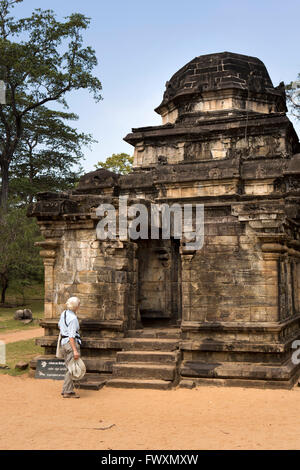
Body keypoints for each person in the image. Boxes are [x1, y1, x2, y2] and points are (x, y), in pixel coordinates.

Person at [58, 296, 82, 399]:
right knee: (71, 368)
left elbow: (59, 325)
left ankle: (67, 390)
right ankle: (67, 391)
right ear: (76, 306)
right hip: (70, 344)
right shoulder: (73, 318)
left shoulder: (64, 314)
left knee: (69, 367)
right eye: (79, 304)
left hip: (64, 342)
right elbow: (71, 336)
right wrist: (75, 350)